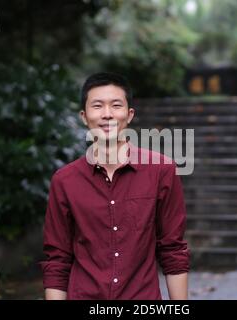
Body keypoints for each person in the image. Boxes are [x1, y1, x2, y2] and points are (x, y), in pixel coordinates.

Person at [40, 72, 189, 300]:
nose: (107, 114)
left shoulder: (161, 171)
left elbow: (173, 250)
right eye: (97, 106)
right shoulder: (65, 180)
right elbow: (57, 260)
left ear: (129, 115)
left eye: (116, 105)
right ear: (84, 116)